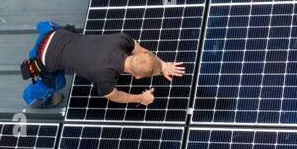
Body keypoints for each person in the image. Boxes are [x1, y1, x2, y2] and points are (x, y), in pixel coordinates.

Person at [20, 21, 185, 108]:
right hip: (41, 58)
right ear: (138, 76)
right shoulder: (104, 77)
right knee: (58, 82)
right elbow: (114, 95)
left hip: (53, 33)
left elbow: (142, 50)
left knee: (49, 26)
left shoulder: (122, 39)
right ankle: (33, 97)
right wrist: (141, 98)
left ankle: (42, 26)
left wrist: (163, 65)